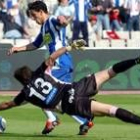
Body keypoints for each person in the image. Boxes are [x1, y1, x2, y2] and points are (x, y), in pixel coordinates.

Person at [1, 39, 140, 135]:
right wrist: (70, 47)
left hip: (70, 103)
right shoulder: (39, 73)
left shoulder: (25, 94)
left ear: (21, 81)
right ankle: (136, 60)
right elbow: (52, 57)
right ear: (30, 72)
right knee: (110, 72)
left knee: (110, 110)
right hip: (76, 88)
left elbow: (8, 104)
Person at [7, 1, 93, 135]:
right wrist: (18, 49)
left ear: (41, 12)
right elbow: (35, 44)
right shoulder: (44, 28)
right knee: (61, 97)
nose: (34, 20)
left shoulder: (52, 20)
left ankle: (53, 119)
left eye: (35, 16)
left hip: (60, 62)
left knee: (40, 89)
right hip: (63, 63)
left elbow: (62, 22)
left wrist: (63, 21)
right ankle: (84, 120)